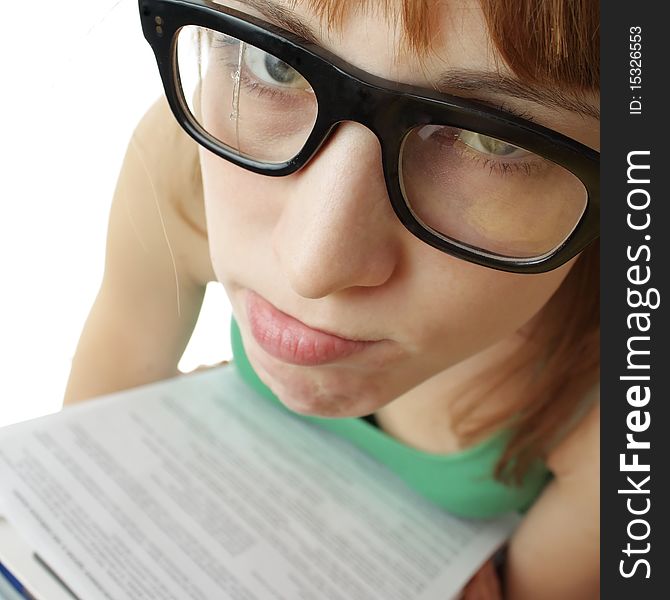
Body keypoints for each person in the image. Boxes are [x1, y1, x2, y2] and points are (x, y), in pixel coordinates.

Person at [64, 0, 600, 598]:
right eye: (274, 63)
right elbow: (79, 470)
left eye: (493, 140)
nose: (312, 267)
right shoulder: (183, 153)